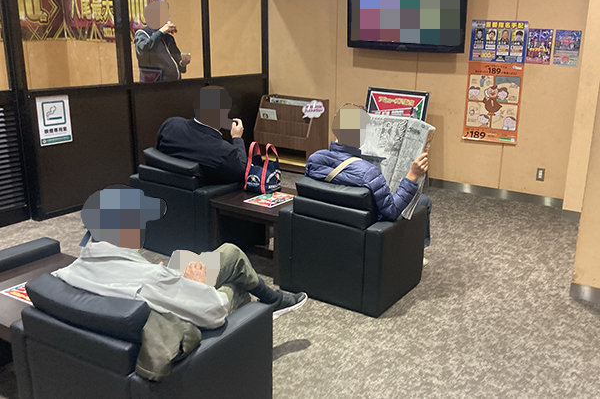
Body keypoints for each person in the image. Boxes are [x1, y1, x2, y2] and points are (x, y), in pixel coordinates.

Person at [55, 186, 308, 328]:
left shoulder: (73, 269)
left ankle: (273, 299)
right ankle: (269, 304)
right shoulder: (152, 278)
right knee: (236, 288)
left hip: (158, 292)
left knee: (230, 253)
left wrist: (163, 274)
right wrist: (196, 285)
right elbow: (213, 312)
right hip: (183, 317)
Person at [305, 105, 432, 266]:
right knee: (424, 201)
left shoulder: (314, 159)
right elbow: (391, 212)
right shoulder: (369, 172)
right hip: (368, 227)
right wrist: (412, 176)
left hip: (326, 224)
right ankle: (416, 253)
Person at [156, 86, 247, 184]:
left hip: (161, 187)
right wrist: (237, 138)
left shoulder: (170, 125)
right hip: (206, 192)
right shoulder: (224, 151)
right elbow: (242, 173)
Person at [134, 1, 190, 82]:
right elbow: (143, 50)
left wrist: (183, 63)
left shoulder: (168, 38)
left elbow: (177, 65)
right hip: (154, 85)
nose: (167, 19)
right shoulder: (143, 33)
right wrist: (161, 32)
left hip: (173, 84)